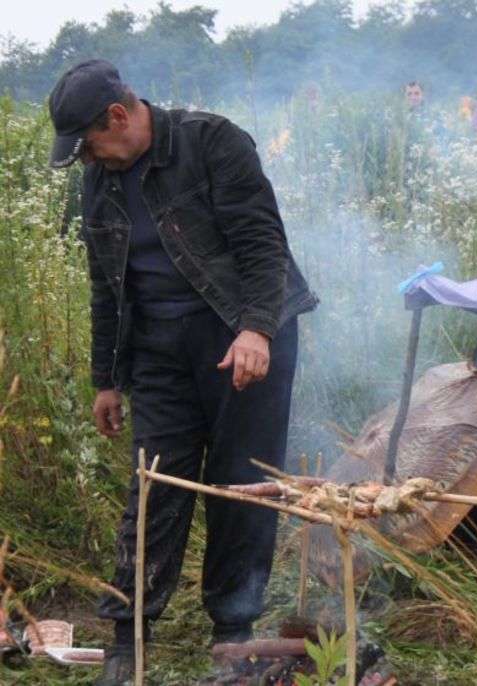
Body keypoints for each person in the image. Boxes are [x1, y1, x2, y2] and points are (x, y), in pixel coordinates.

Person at [47, 59, 319, 685]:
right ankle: (128, 634)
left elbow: (262, 244)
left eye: (88, 144)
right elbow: (105, 288)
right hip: (158, 353)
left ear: (118, 116)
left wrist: (257, 328)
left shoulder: (211, 142)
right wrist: (106, 379)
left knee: (240, 485)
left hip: (241, 337)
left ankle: (233, 632)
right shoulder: (101, 181)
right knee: (155, 484)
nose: (87, 160)